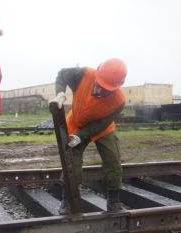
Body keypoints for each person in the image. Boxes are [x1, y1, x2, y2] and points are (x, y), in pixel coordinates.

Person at [54, 58, 127, 212]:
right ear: (97, 75)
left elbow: (101, 124)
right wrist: (60, 93)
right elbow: (61, 74)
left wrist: (82, 136)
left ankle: (114, 201)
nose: (101, 90)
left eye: (107, 89)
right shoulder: (83, 74)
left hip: (102, 128)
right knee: (71, 163)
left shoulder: (119, 101)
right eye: (100, 85)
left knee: (113, 161)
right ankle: (68, 200)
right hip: (76, 122)